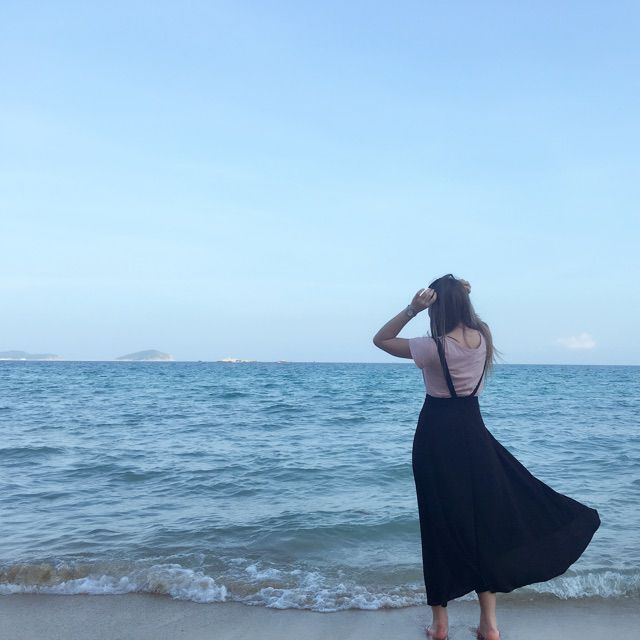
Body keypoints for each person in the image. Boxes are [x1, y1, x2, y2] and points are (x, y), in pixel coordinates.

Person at [372, 273, 601, 640]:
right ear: (464, 304)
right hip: (475, 436)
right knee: (484, 527)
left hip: (435, 440)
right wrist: (460, 293)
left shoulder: (432, 347)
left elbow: (381, 339)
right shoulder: (484, 336)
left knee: (438, 526)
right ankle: (489, 626)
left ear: (436, 309)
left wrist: (412, 308)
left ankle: (440, 626)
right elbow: (469, 317)